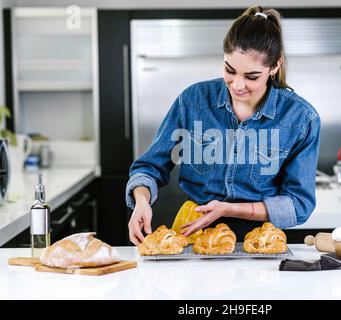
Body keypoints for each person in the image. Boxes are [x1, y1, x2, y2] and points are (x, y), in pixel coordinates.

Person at [125, 5, 321, 246]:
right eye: (230, 70)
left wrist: (230, 209)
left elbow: (299, 204)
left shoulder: (301, 118)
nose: (237, 85)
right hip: (194, 232)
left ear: (275, 66)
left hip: (260, 239)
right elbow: (149, 167)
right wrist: (142, 201)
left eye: (251, 76)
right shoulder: (193, 101)